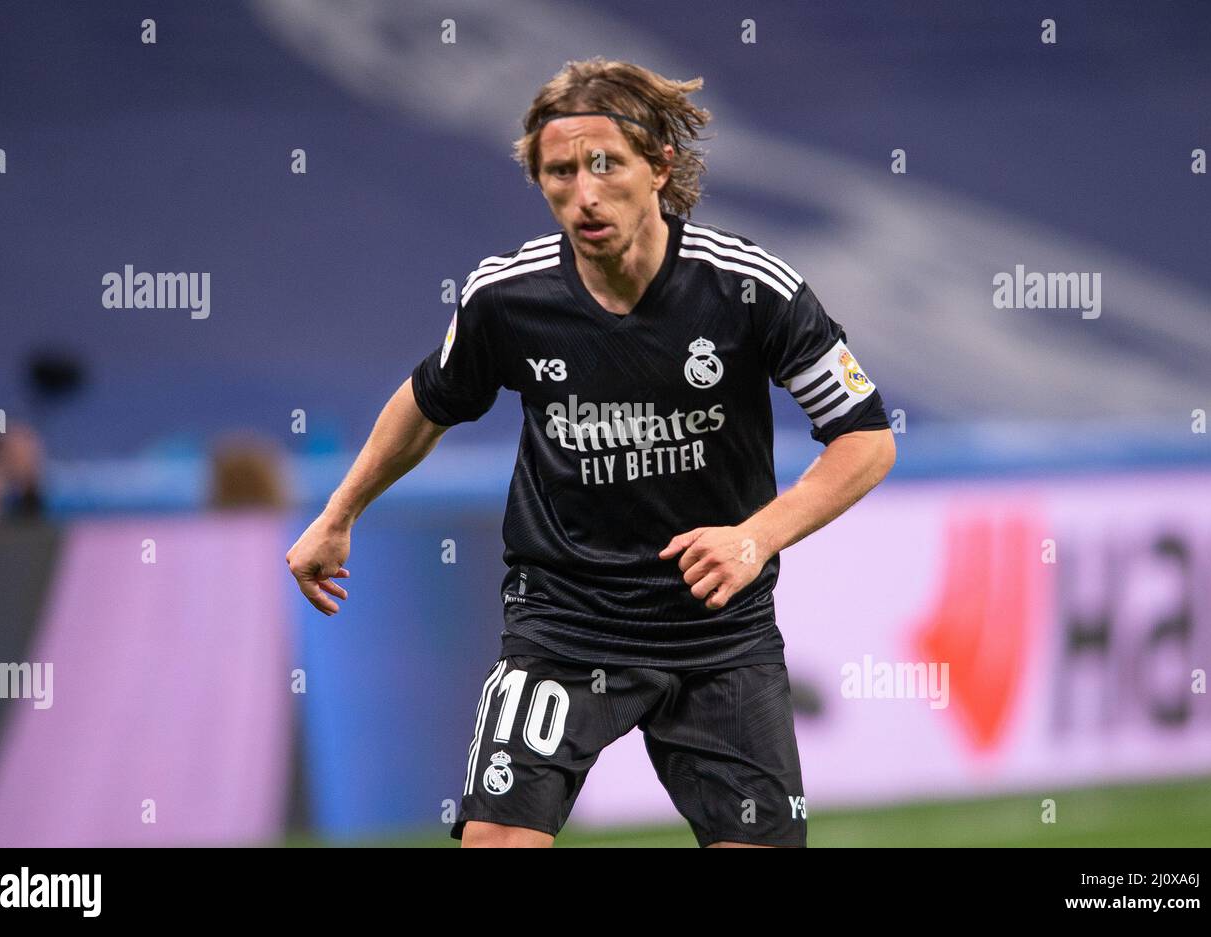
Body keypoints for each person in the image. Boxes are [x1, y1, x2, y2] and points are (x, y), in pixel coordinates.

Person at [285, 57, 895, 848]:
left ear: (659, 167)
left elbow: (867, 439)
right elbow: (429, 402)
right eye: (559, 172)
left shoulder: (750, 287)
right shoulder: (508, 299)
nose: (583, 194)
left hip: (718, 632)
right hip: (565, 623)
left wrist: (756, 536)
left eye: (604, 164)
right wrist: (340, 513)